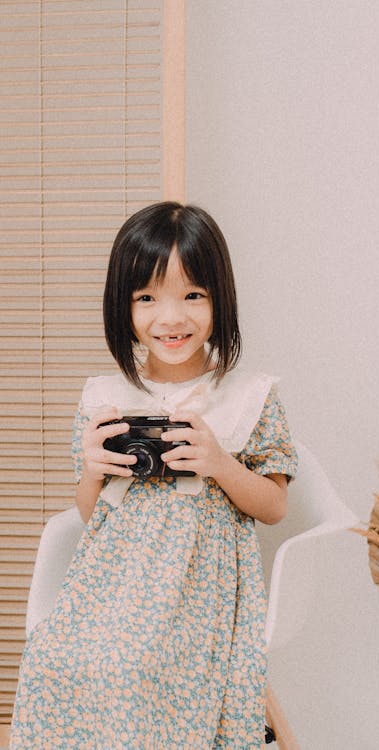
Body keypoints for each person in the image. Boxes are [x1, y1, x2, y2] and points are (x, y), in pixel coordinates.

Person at [10, 201, 298, 749]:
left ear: (220, 299)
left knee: (133, 668)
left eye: (192, 295)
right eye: (147, 298)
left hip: (199, 587)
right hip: (109, 583)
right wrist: (94, 472)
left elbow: (274, 506)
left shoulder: (251, 396)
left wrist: (218, 463)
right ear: (124, 306)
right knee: (52, 658)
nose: (171, 319)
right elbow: (90, 517)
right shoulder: (105, 396)